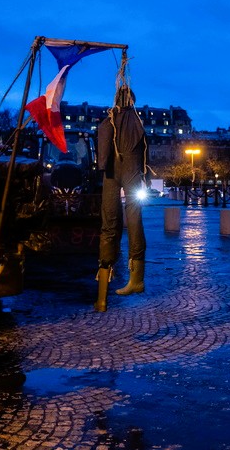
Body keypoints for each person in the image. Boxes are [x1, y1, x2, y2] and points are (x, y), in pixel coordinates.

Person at [94, 85, 149, 312]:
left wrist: (102, 164)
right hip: (132, 169)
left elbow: (102, 144)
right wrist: (145, 176)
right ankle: (137, 279)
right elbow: (145, 152)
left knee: (109, 222)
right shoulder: (138, 121)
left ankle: (102, 294)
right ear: (132, 100)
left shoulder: (110, 119)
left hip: (112, 171)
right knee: (134, 218)